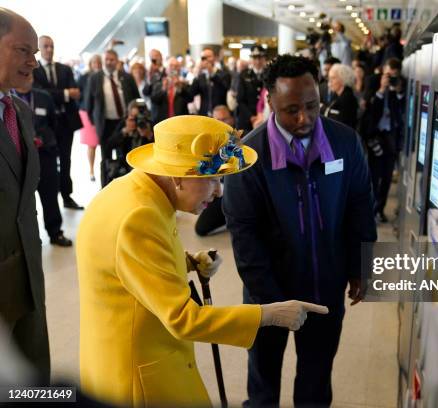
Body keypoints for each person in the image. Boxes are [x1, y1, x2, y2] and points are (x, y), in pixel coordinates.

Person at [76, 114, 328, 407]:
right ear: (177, 176)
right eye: (212, 178)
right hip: (140, 375)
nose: (219, 191)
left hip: (115, 358)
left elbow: (126, 265)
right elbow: (183, 319)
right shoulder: (140, 218)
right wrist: (268, 314)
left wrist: (185, 262)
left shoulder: (131, 191)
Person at [223, 55, 377, 407]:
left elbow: (359, 207)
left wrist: (360, 266)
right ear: (270, 101)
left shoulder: (345, 143)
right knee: (263, 386)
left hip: (325, 287)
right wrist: (272, 302)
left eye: (312, 105)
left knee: (316, 382)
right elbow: (245, 235)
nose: (304, 118)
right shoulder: (247, 156)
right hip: (268, 294)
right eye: (291, 110)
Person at [0, 7, 50, 383]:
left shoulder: (19, 110)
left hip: (29, 283)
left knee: (36, 388)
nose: (33, 62)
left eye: (35, 53)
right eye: (23, 50)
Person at [14, 75, 73, 246]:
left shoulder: (44, 97)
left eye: (29, 74)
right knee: (23, 200)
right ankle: (27, 239)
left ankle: (55, 232)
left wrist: (45, 139)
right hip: (22, 158)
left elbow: (53, 124)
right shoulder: (10, 99)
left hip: (45, 155)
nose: (25, 77)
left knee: (50, 194)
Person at [33, 35, 83, 209]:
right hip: (46, 125)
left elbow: (76, 92)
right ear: (39, 48)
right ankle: (52, 198)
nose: (49, 49)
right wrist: (66, 94)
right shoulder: (35, 70)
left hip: (66, 122)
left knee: (66, 159)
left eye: (52, 46)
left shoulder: (65, 69)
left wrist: (61, 94)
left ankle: (67, 195)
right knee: (49, 163)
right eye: (46, 46)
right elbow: (41, 94)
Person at [86, 48, 140, 187]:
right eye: (107, 60)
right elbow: (89, 104)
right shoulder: (95, 78)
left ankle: (130, 186)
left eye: (112, 60)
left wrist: (134, 116)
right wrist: (96, 124)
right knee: (106, 159)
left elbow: (137, 99)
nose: (109, 62)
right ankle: (106, 188)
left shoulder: (126, 77)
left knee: (128, 155)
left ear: (117, 61)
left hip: (125, 122)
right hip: (105, 125)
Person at [363, 57, 406, 222]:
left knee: (387, 176)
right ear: (383, 70)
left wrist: (399, 91)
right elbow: (369, 109)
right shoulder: (373, 81)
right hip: (375, 135)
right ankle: (371, 208)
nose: (391, 77)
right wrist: (381, 90)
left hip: (391, 135)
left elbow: (401, 109)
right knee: (374, 175)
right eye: (389, 74)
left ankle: (380, 209)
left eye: (394, 74)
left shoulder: (398, 85)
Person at [194, 105, 234, 237]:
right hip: (217, 192)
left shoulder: (242, 141)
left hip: (233, 193)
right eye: (218, 120)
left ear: (232, 120)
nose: (222, 123)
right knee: (201, 228)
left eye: (225, 119)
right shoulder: (207, 143)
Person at [104, 99, 154, 183]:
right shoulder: (124, 124)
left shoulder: (150, 124)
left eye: (139, 117)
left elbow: (159, 147)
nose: (137, 121)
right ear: (128, 115)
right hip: (126, 167)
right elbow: (108, 145)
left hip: (147, 166)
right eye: (134, 117)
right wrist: (124, 131)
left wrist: (149, 135)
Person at [77, 54, 102, 182]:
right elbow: (78, 95)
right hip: (87, 113)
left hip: (101, 114)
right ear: (90, 63)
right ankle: (91, 170)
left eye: (99, 62)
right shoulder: (84, 77)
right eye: (94, 62)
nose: (97, 64)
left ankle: (106, 169)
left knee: (104, 143)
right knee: (92, 144)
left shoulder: (105, 76)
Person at [191, 46, 231, 117]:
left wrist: (212, 73)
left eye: (208, 57)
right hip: (204, 114)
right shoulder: (201, 76)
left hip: (220, 114)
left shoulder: (223, 73)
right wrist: (196, 75)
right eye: (203, 58)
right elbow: (191, 94)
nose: (206, 60)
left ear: (214, 58)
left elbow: (225, 88)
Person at [150, 57, 192, 124]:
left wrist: (180, 87)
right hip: (163, 122)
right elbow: (154, 100)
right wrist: (163, 89)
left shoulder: (184, 84)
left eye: (176, 66)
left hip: (180, 122)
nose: (173, 68)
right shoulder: (159, 83)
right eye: (171, 65)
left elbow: (190, 99)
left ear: (179, 69)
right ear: (166, 69)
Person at [236, 45, 267, 132]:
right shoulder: (244, 75)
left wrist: (262, 115)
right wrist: (251, 117)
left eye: (260, 58)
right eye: (254, 58)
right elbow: (240, 100)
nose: (257, 61)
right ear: (251, 59)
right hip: (247, 119)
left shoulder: (269, 74)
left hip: (265, 117)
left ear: (264, 58)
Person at [323, 63, 358, 129]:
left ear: (343, 79)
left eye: (333, 78)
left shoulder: (348, 99)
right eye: (329, 78)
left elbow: (341, 123)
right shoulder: (336, 96)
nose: (330, 81)